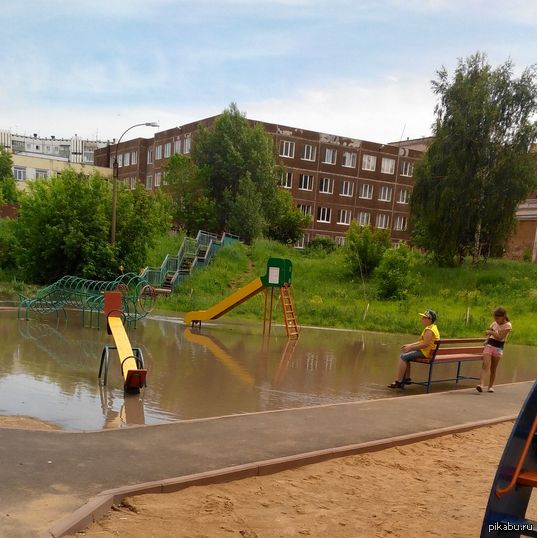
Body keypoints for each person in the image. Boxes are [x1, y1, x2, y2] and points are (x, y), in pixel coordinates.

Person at [387, 310, 440, 389]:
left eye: (424, 318)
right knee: (405, 356)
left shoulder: (429, 330)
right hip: (428, 351)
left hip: (426, 352)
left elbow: (425, 344)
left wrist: (410, 348)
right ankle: (407, 379)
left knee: (403, 356)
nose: (422, 319)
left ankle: (398, 381)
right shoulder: (432, 327)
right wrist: (410, 345)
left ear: (430, 320)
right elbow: (421, 341)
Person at [476, 307, 512, 393]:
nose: (496, 320)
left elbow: (500, 337)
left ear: (503, 317)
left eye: (497, 318)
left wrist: (491, 333)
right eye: (495, 318)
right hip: (490, 345)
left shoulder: (507, 325)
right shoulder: (494, 324)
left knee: (493, 368)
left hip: (498, 346)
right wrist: (487, 339)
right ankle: (481, 384)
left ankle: (490, 386)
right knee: (485, 365)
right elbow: (490, 334)